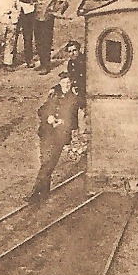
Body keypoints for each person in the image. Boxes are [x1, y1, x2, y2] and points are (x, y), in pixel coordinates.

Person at [29, 74, 81, 203]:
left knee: (48, 163)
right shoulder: (53, 95)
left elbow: (74, 122)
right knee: (45, 162)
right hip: (46, 133)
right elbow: (41, 110)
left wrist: (63, 122)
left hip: (59, 136)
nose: (66, 86)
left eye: (68, 84)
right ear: (60, 84)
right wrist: (49, 117)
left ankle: (36, 194)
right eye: (64, 84)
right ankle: (44, 192)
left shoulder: (74, 99)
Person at [32, 0, 69, 73]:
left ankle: (46, 66)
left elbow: (64, 2)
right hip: (37, 19)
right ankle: (42, 63)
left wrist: (57, 11)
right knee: (38, 42)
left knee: (46, 42)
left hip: (47, 19)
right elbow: (30, 0)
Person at [11, 0, 38, 67]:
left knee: (28, 36)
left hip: (28, 13)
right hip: (16, 13)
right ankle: (12, 60)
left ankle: (29, 59)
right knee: (14, 36)